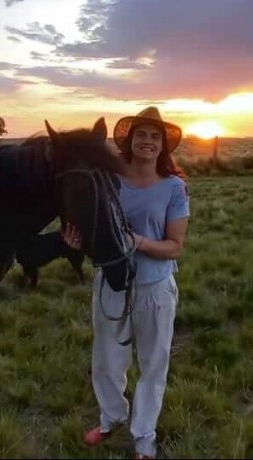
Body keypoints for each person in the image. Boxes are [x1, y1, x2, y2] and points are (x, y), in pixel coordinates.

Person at [62, 106, 190, 459]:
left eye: (154, 136)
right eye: (141, 135)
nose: (147, 141)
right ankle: (111, 418)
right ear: (129, 140)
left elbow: (175, 246)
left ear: (163, 145)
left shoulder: (174, 187)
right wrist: (79, 242)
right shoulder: (110, 181)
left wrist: (141, 242)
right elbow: (98, 232)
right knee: (106, 360)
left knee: (152, 364)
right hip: (110, 283)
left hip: (154, 288)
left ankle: (144, 437)